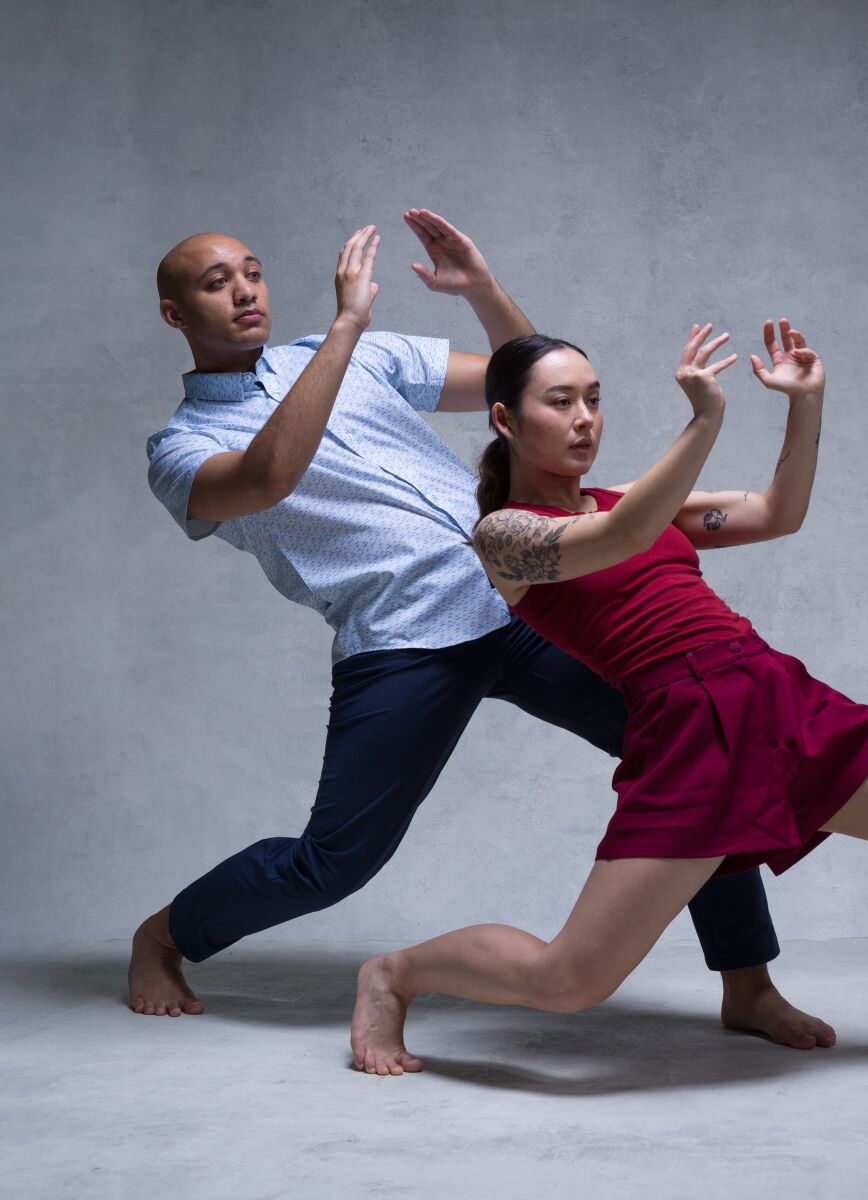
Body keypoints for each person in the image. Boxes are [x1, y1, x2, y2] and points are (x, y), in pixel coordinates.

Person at [349, 321, 868, 1082]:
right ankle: (396, 972)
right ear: (505, 419)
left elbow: (779, 513)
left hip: (777, 698)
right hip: (686, 737)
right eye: (560, 402)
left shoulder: (630, 497)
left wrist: (804, 407)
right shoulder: (504, 535)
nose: (585, 420)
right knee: (568, 981)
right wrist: (705, 422)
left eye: (595, 400)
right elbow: (625, 537)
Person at [132, 214, 829, 1052]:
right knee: (334, 861)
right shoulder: (182, 448)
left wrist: (482, 291)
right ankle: (165, 936)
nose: (245, 291)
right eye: (216, 283)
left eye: (252, 271)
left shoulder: (365, 358)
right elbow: (270, 476)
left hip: (525, 594)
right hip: (403, 640)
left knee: (697, 748)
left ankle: (748, 985)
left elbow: (527, 387)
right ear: (176, 314)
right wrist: (346, 329)